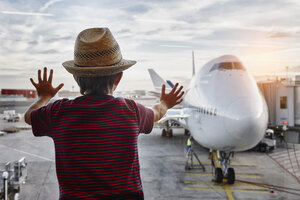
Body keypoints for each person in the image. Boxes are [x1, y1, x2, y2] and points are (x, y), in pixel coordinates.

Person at [24, 27, 184, 200]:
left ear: (76, 78)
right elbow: (156, 113)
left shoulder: (59, 112)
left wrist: (44, 97)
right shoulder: (131, 110)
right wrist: (165, 103)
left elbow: (29, 116)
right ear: (118, 78)